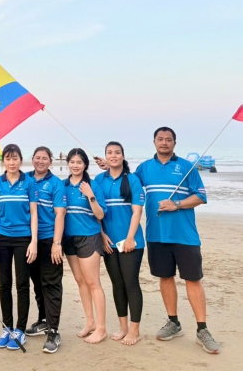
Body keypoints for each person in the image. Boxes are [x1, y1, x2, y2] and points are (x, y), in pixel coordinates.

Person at [133, 127, 219, 354]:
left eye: (168, 139)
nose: (164, 143)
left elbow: (201, 196)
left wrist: (177, 204)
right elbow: (128, 186)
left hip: (184, 235)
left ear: (174, 143)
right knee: (165, 277)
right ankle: (174, 322)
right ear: (154, 142)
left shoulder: (187, 167)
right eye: (160, 139)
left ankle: (202, 329)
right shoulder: (144, 168)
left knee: (193, 279)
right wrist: (110, 166)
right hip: (156, 234)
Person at [0, 144, 38, 351]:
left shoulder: (29, 182)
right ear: (3, 161)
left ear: (20, 160)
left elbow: (34, 213)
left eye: (15, 158)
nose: (11, 162)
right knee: (4, 283)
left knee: (22, 284)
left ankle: (20, 330)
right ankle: (6, 328)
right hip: (1, 238)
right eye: (8, 158)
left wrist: (34, 241)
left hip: (23, 238)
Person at [94, 142, 145, 346]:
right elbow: (95, 211)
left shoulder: (132, 180)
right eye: (110, 153)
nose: (113, 156)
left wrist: (130, 238)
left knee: (131, 283)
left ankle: (134, 330)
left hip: (131, 242)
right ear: (106, 157)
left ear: (123, 156)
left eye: (117, 153)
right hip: (109, 242)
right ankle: (123, 327)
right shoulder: (99, 180)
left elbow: (137, 211)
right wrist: (102, 235)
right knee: (117, 284)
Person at [62, 148, 108, 344]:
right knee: (80, 281)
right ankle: (90, 322)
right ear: (68, 164)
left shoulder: (93, 185)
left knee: (93, 283)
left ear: (85, 165)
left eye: (79, 162)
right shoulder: (62, 185)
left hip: (89, 237)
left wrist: (90, 195)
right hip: (69, 239)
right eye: (72, 162)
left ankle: (101, 328)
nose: (75, 165)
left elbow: (100, 214)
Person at [25, 146, 66, 354]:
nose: (40, 161)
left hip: (49, 238)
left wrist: (56, 243)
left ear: (51, 161)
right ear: (32, 159)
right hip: (29, 240)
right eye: (37, 158)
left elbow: (60, 214)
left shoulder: (56, 183)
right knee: (37, 283)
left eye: (44, 158)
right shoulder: (25, 178)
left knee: (51, 284)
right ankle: (43, 320)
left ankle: (53, 331)